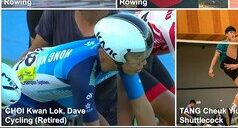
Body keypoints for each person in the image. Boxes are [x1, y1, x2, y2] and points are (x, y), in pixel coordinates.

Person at [20, 10, 175, 126]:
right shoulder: (81, 72)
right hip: (25, 100)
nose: (146, 64)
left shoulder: (118, 53)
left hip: (65, 95)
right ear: (116, 56)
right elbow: (90, 120)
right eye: (138, 58)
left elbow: (140, 105)